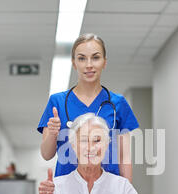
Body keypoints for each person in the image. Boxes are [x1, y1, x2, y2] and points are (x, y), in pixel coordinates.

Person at [37, 33, 139, 182]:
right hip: (67, 190)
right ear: (74, 63)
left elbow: (124, 157)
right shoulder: (57, 102)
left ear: (104, 62)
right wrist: (52, 133)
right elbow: (46, 155)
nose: (89, 64)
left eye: (96, 57)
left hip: (108, 189)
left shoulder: (118, 103)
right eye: (82, 58)